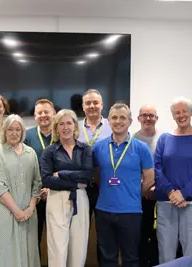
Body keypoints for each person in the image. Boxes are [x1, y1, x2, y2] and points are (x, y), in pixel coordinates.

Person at [93, 103, 154, 267]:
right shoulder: (98, 147)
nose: (118, 121)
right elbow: (97, 175)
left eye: (122, 117)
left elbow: (149, 179)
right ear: (109, 121)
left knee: (131, 258)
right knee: (107, 258)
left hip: (131, 212)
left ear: (130, 121)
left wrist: (133, 193)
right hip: (104, 210)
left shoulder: (142, 148)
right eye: (114, 117)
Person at [155, 97, 192, 267]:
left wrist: (184, 193)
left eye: (184, 111)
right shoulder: (164, 138)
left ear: (191, 113)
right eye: (177, 112)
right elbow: (157, 168)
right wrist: (171, 191)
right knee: (166, 253)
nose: (181, 115)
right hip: (167, 202)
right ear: (173, 115)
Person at [0, 114, 42, 267]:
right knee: (6, 253)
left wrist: (30, 208)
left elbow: (37, 183)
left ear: (23, 132)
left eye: (18, 129)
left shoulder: (31, 153)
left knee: (28, 251)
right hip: (5, 212)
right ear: (4, 131)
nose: (14, 133)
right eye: (10, 129)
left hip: (28, 213)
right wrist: (17, 211)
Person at [40, 109, 93, 267]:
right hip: (56, 198)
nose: (65, 127)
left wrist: (61, 173)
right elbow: (47, 180)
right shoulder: (49, 151)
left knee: (78, 247)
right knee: (58, 247)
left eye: (69, 123)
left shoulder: (85, 149)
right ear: (56, 128)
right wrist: (75, 182)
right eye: (61, 124)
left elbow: (88, 175)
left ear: (75, 126)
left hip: (80, 199)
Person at [77, 89, 112, 264]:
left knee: (104, 233)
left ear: (102, 105)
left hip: (104, 187)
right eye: (88, 103)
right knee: (79, 232)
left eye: (95, 102)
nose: (92, 106)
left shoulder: (112, 126)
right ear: (83, 107)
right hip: (80, 187)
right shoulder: (74, 127)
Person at [24, 98, 56, 255]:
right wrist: (37, 190)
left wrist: (50, 187)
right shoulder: (27, 136)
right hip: (33, 196)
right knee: (32, 238)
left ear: (54, 114)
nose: (43, 115)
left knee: (55, 239)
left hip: (56, 194)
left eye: (47, 112)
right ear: (35, 116)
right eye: (40, 113)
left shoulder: (61, 135)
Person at [133, 104, 160, 267]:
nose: (148, 118)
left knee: (157, 236)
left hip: (158, 194)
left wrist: (155, 187)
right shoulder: (132, 139)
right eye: (144, 115)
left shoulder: (164, 138)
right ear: (138, 119)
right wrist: (142, 188)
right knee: (140, 234)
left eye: (151, 115)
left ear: (157, 118)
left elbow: (165, 167)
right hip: (138, 195)